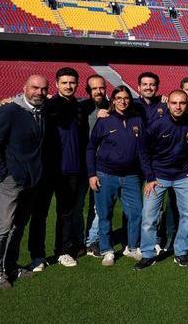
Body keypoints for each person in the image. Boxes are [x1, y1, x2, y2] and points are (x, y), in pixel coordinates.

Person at [0, 74, 48, 289]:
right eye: (34, 88)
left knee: (19, 225)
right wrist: (4, 175)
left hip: (31, 180)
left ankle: (10, 266)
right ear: (24, 88)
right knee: (2, 225)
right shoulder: (8, 111)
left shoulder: (41, 111)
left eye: (43, 89)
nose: (39, 92)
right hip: (10, 180)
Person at [29, 67, 92, 271]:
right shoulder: (47, 106)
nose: (68, 86)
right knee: (40, 214)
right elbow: (25, 107)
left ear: (77, 84)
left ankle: (63, 251)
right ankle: (37, 255)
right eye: (64, 82)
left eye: (72, 82)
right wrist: (8, 101)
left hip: (72, 170)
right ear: (56, 84)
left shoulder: (81, 107)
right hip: (48, 170)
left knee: (66, 213)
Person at [135, 90, 188, 270]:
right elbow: (143, 151)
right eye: (174, 103)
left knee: (187, 215)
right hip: (158, 177)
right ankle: (147, 254)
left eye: (182, 103)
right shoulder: (156, 125)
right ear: (168, 104)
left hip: (184, 177)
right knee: (149, 216)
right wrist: (149, 177)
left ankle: (181, 252)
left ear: (187, 105)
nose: (178, 106)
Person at [87, 86, 144, 266]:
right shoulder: (104, 121)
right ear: (113, 100)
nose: (123, 101)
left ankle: (132, 247)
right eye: (118, 97)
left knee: (135, 213)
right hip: (105, 175)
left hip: (131, 176)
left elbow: (143, 149)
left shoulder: (137, 120)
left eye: (126, 97)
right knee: (105, 214)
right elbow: (90, 148)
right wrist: (91, 174)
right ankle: (107, 250)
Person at [82, 74, 110, 258]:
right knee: (77, 207)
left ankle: (94, 240)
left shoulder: (112, 106)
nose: (99, 91)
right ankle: (85, 240)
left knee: (98, 205)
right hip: (80, 164)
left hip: (102, 165)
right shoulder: (81, 108)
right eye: (94, 88)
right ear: (88, 90)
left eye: (101, 88)